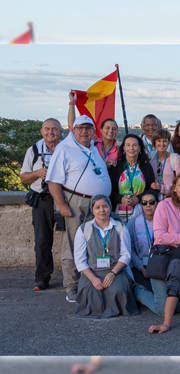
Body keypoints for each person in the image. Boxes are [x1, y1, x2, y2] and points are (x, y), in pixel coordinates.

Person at [46, 115, 112, 303]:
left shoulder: (92, 149)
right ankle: (71, 286)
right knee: (73, 244)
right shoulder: (65, 148)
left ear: (93, 131)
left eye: (88, 128)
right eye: (80, 128)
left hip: (97, 204)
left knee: (95, 244)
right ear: (73, 130)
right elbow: (53, 180)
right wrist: (62, 205)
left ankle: (89, 281)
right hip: (76, 203)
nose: (85, 131)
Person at [135, 172, 180, 316]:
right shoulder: (163, 206)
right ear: (174, 188)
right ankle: (138, 290)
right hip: (163, 260)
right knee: (164, 311)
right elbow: (160, 236)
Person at [73, 194, 138, 318]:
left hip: (115, 270)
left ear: (110, 207)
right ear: (92, 210)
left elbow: (126, 255)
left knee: (119, 289)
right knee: (91, 293)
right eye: (97, 207)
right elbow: (80, 260)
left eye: (105, 206)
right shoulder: (83, 229)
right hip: (92, 271)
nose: (101, 210)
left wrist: (113, 273)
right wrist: (93, 279)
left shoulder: (120, 228)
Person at [20, 118, 62, 291]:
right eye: (47, 129)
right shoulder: (34, 150)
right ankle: (42, 277)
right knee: (42, 240)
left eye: (54, 129)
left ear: (61, 132)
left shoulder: (65, 149)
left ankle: (74, 275)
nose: (50, 132)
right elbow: (23, 177)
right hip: (42, 198)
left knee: (72, 238)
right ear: (41, 131)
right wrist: (37, 173)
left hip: (62, 198)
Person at [109, 134, 157, 223]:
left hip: (141, 212)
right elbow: (110, 190)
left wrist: (139, 198)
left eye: (135, 145)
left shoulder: (146, 166)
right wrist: (121, 199)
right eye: (128, 145)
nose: (131, 148)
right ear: (123, 148)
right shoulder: (117, 166)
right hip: (119, 215)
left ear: (139, 148)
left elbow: (152, 189)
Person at [126, 190, 159, 289]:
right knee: (144, 289)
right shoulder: (133, 223)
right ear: (141, 205)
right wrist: (141, 269)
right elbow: (130, 249)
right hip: (140, 267)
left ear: (157, 203)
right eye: (144, 203)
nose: (148, 205)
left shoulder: (164, 221)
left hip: (159, 266)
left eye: (151, 202)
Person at [149, 128, 180, 198]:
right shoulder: (149, 157)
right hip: (152, 199)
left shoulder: (175, 158)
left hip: (170, 198)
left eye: (164, 141)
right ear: (154, 142)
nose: (162, 144)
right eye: (159, 141)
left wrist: (162, 188)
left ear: (168, 142)